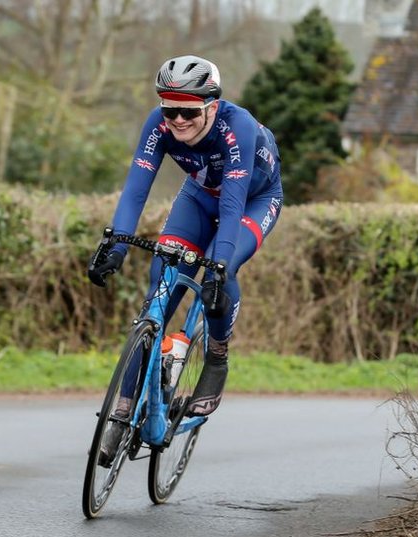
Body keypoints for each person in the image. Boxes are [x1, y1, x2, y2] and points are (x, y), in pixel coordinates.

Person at [88, 54, 283, 455]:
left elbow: (231, 209)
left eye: (188, 111)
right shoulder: (158, 124)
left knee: (220, 270)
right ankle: (123, 409)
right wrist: (117, 244)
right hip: (197, 197)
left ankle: (216, 357)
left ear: (211, 105)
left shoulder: (238, 128)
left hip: (250, 201)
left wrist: (217, 266)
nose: (177, 121)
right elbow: (136, 189)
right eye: (170, 109)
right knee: (159, 288)